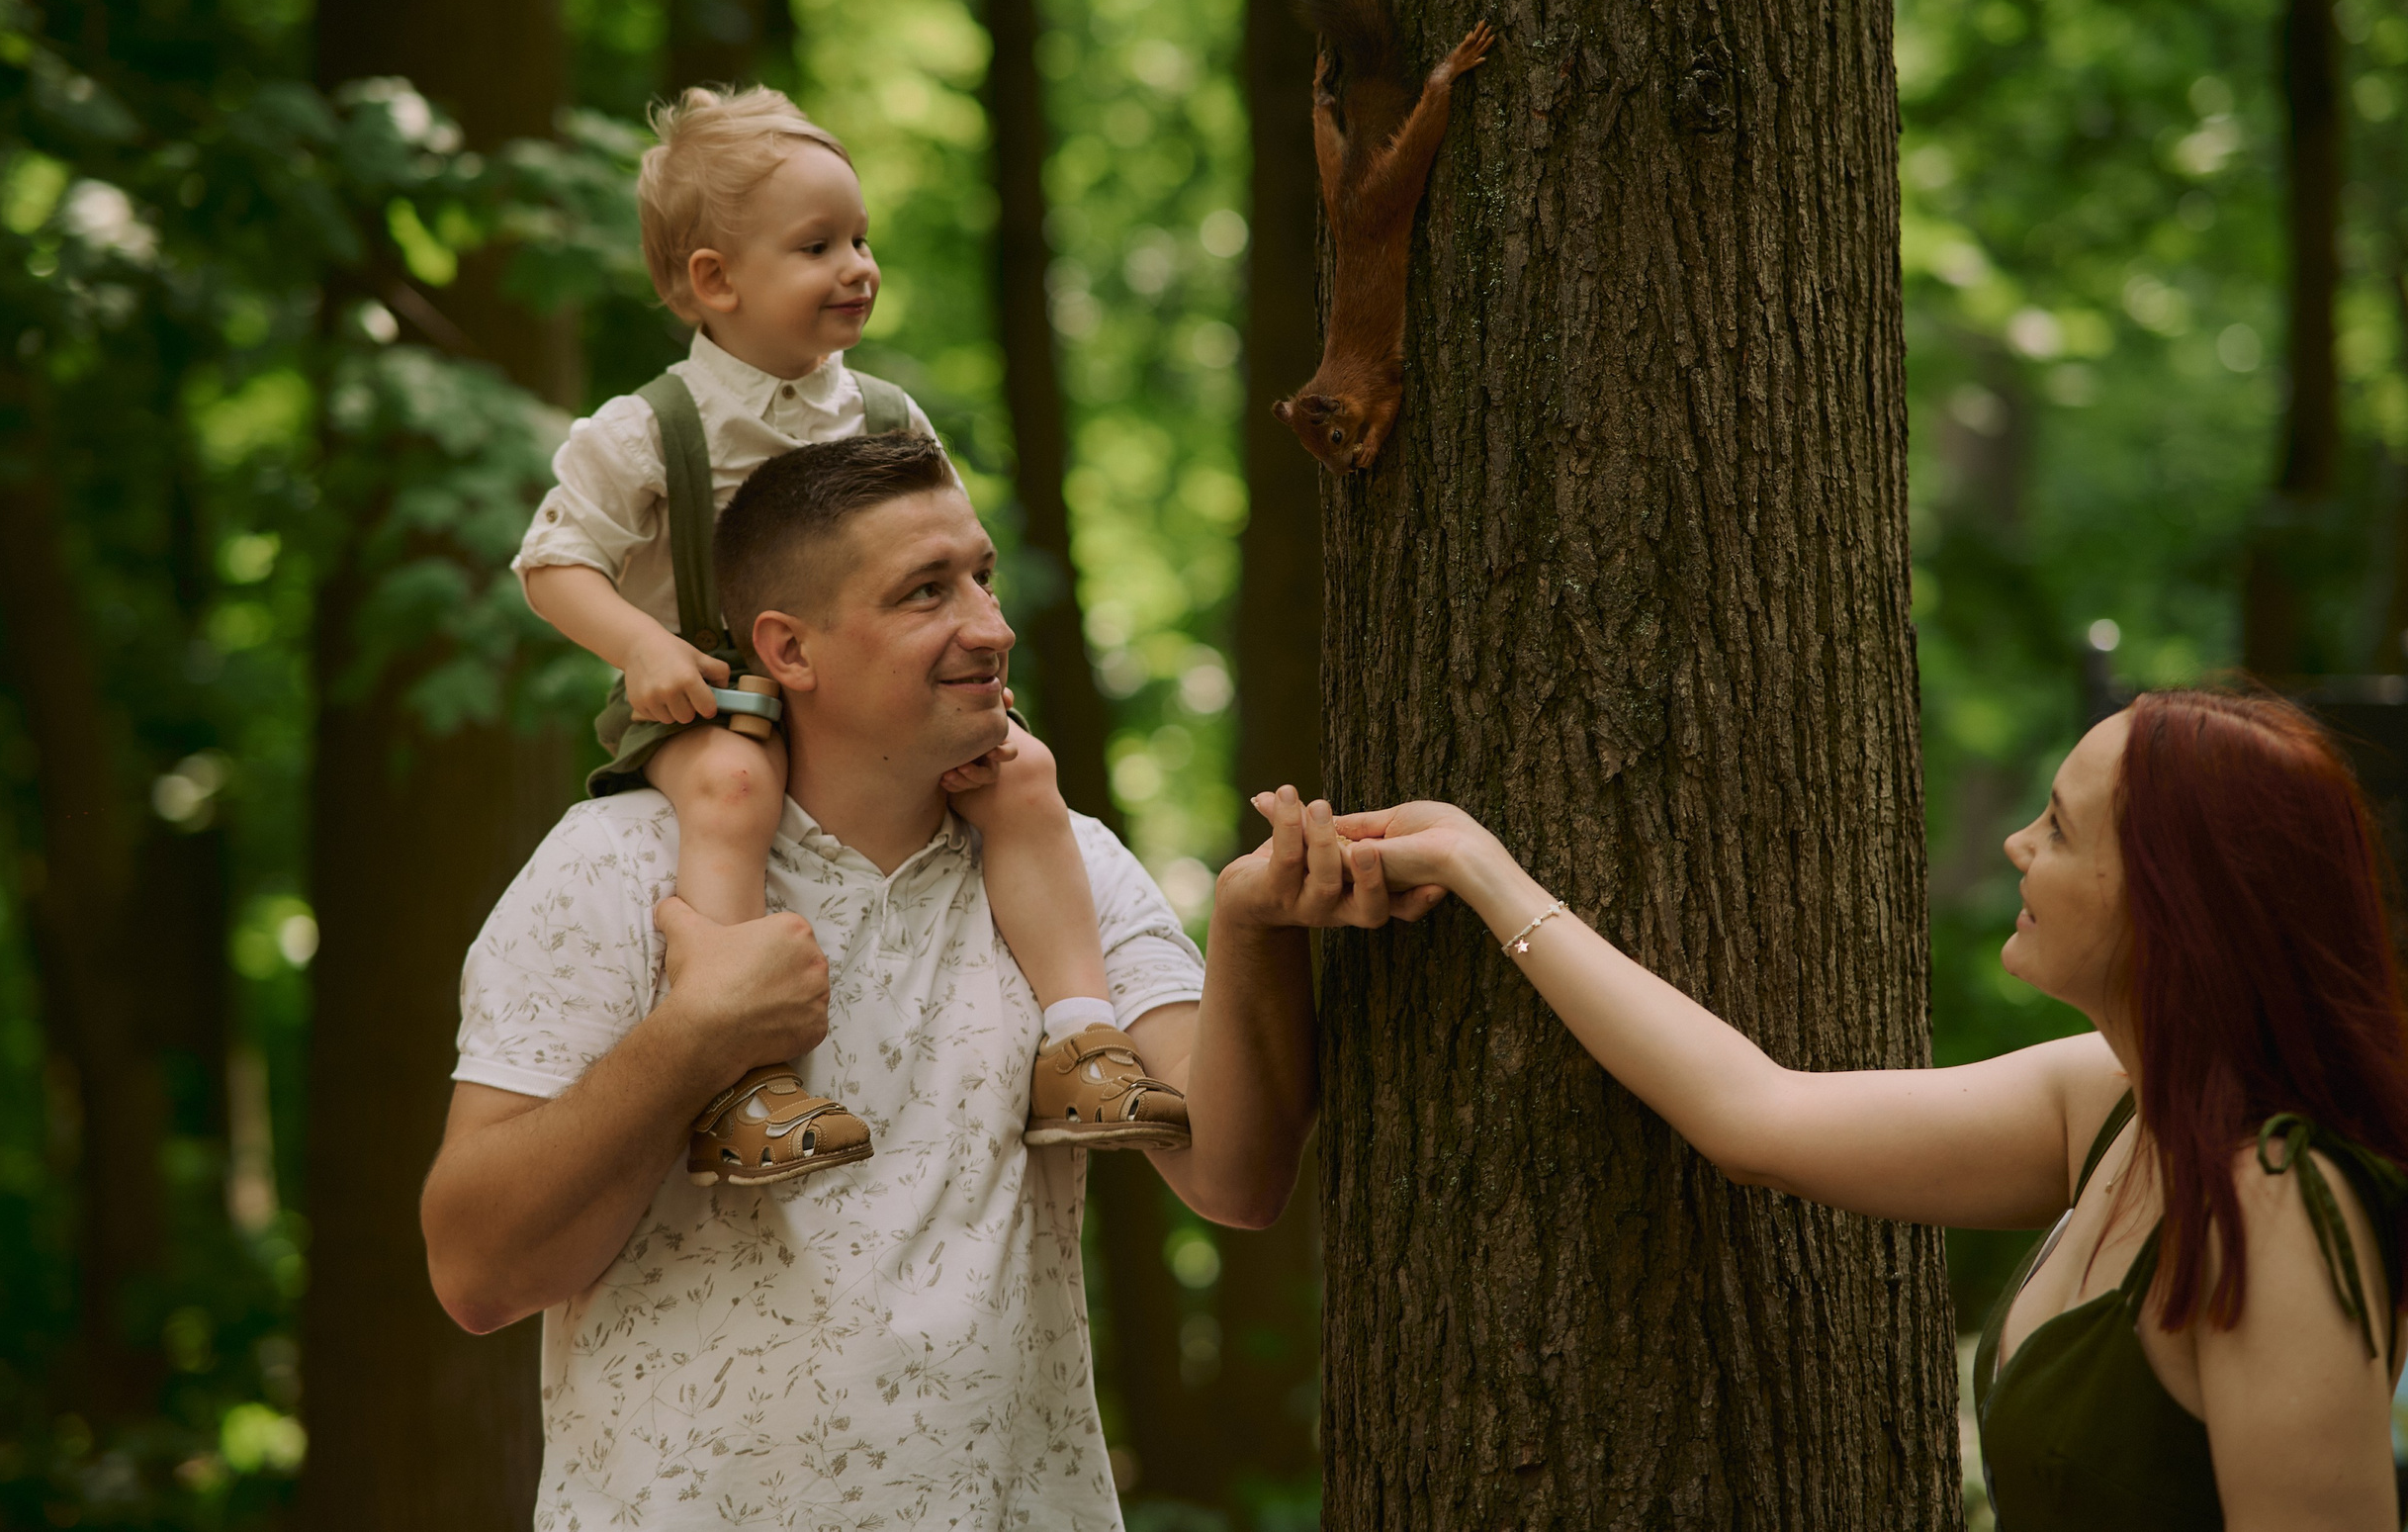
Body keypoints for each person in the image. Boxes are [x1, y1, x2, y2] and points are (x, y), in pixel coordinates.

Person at [424, 432, 1435, 1528]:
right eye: (926, 591)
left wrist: (1249, 925)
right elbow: (479, 1270)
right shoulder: (614, 865)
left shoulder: (1068, 861)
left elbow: (1237, 1177)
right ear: (790, 650)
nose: (991, 625)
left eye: (983, 578)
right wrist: (696, 1034)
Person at [1314, 688, 2408, 1530]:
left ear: (2175, 904)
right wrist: (1481, 868)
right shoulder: (2112, 1097)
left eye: (2060, 829)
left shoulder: (2273, 1203)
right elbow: (1755, 1117)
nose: (2019, 844)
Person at [511, 84, 1183, 1184]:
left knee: (1021, 777)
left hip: (858, 702)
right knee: (730, 789)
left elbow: (952, 546)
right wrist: (642, 647)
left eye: (861, 238)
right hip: (717, 695)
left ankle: (1080, 1040)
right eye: (817, 245)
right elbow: (551, 562)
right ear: (714, 281)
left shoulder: (881, 412)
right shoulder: (646, 430)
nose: (857, 266)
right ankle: (743, 1084)